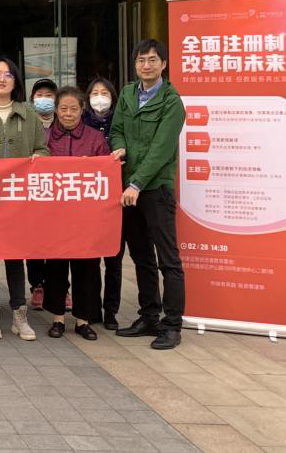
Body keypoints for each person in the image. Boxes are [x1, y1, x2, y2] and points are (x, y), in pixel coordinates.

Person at [111, 39, 186, 351]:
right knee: (141, 257)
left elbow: (161, 150)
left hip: (155, 189)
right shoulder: (128, 94)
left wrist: (137, 183)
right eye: (141, 60)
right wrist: (119, 146)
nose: (146, 65)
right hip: (129, 189)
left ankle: (172, 325)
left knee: (168, 260)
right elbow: (116, 129)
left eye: (153, 60)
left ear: (163, 64)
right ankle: (149, 317)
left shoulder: (172, 101)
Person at [0, 57, 48, 341]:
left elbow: (42, 148)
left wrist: (39, 157)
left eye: (8, 75)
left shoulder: (28, 114)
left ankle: (19, 314)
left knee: (15, 255)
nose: (2, 79)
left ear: (16, 81)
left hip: (18, 197)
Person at [45, 86, 108, 341]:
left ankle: (83, 320)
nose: (68, 113)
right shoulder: (46, 138)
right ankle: (57, 318)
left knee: (87, 267)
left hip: (86, 217)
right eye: (63, 108)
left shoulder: (95, 138)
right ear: (56, 110)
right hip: (55, 216)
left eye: (73, 109)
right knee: (56, 267)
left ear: (82, 110)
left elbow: (106, 173)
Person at [85, 77, 125, 329]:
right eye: (94, 93)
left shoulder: (122, 123)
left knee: (114, 258)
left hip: (118, 197)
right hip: (91, 200)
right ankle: (92, 308)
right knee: (90, 258)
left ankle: (111, 310)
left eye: (105, 93)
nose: (99, 98)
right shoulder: (82, 124)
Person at [26, 77, 59, 310]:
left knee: (58, 241)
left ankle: (59, 288)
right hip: (33, 191)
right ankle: (37, 285)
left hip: (58, 193)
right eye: (39, 95)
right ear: (32, 99)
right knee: (35, 241)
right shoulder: (27, 123)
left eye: (49, 96)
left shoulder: (63, 122)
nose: (44, 100)